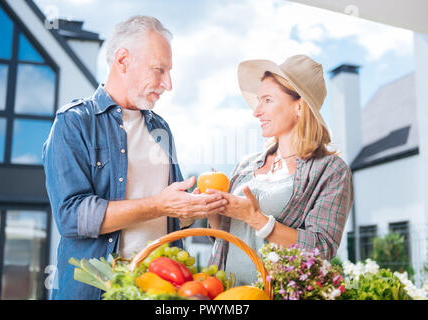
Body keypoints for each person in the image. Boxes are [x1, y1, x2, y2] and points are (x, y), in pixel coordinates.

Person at [42, 16, 226, 300]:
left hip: (159, 290)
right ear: (123, 60)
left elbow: (169, 216)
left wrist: (192, 208)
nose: (168, 83)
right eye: (159, 70)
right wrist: (158, 204)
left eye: (169, 71)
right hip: (98, 291)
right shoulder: (74, 122)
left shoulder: (160, 128)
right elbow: (72, 217)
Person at [204, 55, 354, 285]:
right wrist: (212, 209)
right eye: (259, 100)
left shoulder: (331, 171)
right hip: (224, 293)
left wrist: (256, 219)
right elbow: (225, 234)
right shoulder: (246, 165)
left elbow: (321, 249)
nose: (256, 111)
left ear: (299, 107)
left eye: (267, 100)